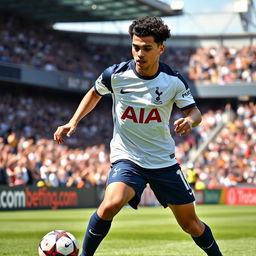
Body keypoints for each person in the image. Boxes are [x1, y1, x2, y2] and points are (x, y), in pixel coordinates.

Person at [54, 16, 223, 256]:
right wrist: (73, 121)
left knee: (191, 225)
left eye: (146, 48)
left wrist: (191, 121)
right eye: (135, 47)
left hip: (163, 161)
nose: (139, 53)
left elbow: (195, 112)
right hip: (128, 156)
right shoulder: (116, 74)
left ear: (160, 49)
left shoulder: (173, 81)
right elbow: (94, 93)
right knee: (109, 205)